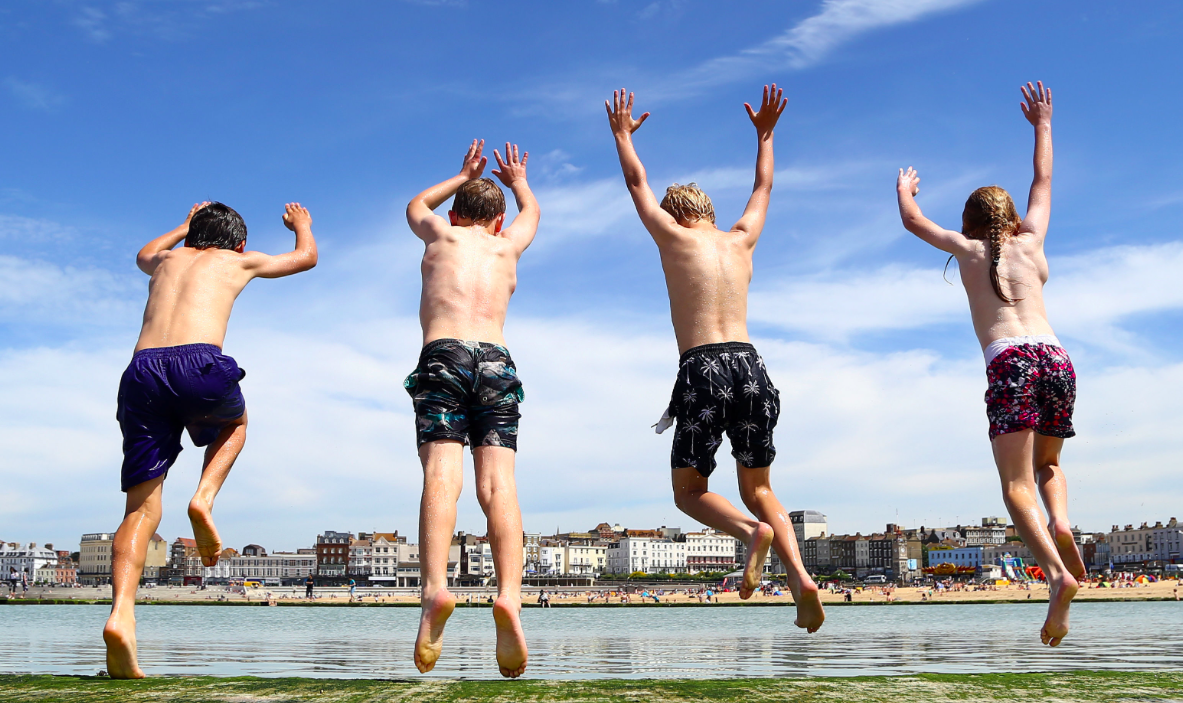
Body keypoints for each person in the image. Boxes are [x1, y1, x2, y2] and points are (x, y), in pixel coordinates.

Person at [607, 85, 825, 634]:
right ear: (708, 213)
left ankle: (752, 535)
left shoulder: (674, 240)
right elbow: (763, 185)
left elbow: (637, 182)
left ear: (675, 216)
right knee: (761, 489)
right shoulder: (741, 240)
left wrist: (621, 136)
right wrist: (766, 133)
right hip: (753, 366)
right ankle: (800, 581)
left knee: (689, 493)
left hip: (703, 366)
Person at [896, 81, 1083, 646]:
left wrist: (906, 189)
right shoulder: (1033, 241)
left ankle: (1055, 575)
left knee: (1014, 486)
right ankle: (1065, 524)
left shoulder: (968, 249)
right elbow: (1043, 182)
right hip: (1057, 357)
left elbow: (913, 222)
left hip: (1011, 363)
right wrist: (1042, 124)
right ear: (1011, 219)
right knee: (1048, 467)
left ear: (972, 224)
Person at [103, 201, 318, 679]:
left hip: (142, 371)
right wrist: (302, 227)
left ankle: (121, 615)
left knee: (139, 510)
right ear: (238, 244)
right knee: (236, 424)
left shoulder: (164, 260)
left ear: (191, 237)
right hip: (198, 362)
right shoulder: (239, 260)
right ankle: (203, 498)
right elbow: (304, 258)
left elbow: (144, 252)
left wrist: (181, 225)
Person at [404, 139, 539, 678]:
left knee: (442, 477)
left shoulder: (440, 232)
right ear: (499, 220)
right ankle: (510, 596)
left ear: (456, 214)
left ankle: (435, 591)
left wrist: (461, 174)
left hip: (444, 356)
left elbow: (416, 205)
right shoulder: (507, 246)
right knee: (499, 486)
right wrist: (518, 180)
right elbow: (531, 212)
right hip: (497, 361)